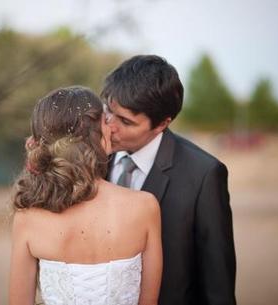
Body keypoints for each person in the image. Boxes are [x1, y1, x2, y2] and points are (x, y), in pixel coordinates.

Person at [101, 55, 237, 305]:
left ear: (162, 124)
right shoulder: (91, 158)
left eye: (126, 121)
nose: (109, 126)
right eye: (108, 111)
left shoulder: (204, 175)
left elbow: (218, 284)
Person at [9, 86, 163, 305]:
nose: (112, 126)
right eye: (106, 119)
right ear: (94, 135)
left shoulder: (28, 217)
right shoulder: (145, 207)